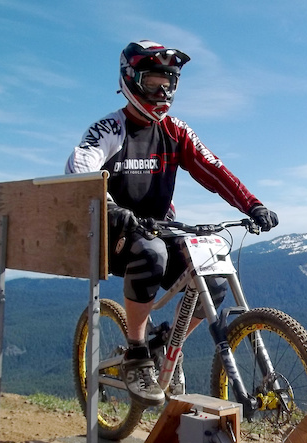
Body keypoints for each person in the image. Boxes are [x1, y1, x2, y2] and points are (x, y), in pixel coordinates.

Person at [65, 40, 278, 406]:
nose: (162, 93)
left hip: (158, 228)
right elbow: (78, 169)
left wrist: (252, 204)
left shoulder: (176, 131)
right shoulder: (110, 129)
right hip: (113, 232)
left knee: (212, 276)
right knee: (151, 254)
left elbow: (214, 170)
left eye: (169, 83)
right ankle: (135, 351)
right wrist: (111, 207)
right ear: (131, 81)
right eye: (153, 83)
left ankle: (164, 342)